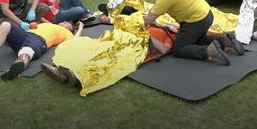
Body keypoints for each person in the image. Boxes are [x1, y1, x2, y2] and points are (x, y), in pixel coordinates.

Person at [141, 0, 245, 65]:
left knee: (180, 49)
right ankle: (225, 40)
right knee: (195, 38)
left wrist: (137, 20)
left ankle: (208, 51)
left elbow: (149, 19)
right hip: (207, 13)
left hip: (196, 21)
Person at [40, 24, 177, 86]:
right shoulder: (160, 24)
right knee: (92, 48)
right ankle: (59, 66)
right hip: (124, 38)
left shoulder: (171, 37)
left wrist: (147, 34)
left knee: (106, 58)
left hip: (137, 46)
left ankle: (74, 75)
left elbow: (164, 50)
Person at [0, 21, 83, 81]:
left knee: (27, 50)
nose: (64, 22)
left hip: (39, 41)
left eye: (67, 23)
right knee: (5, 25)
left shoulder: (66, 33)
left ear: (69, 29)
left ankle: (15, 69)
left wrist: (81, 27)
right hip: (26, 34)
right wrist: (31, 24)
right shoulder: (50, 23)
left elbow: (75, 39)